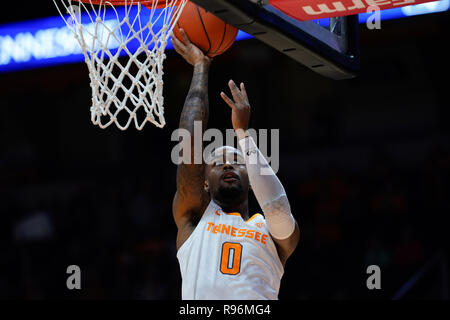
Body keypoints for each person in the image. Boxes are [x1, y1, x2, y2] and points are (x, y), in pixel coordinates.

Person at [171, 29, 300, 300]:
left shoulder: (272, 232)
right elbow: (189, 145)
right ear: (204, 181)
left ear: (252, 178)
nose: (228, 165)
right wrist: (200, 68)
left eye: (237, 161)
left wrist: (242, 134)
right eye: (218, 162)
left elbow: (276, 206)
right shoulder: (194, 219)